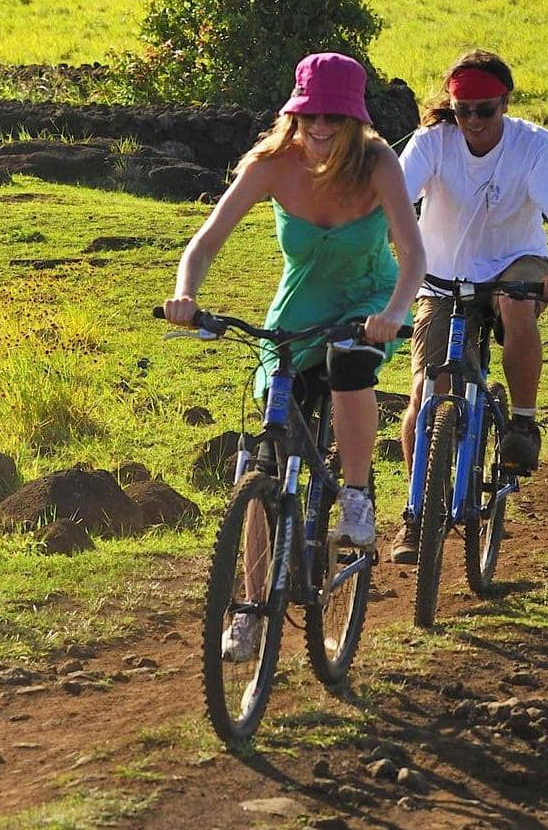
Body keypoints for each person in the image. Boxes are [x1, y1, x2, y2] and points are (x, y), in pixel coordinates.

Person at [164, 52, 426, 574]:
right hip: (297, 307)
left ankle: (355, 497)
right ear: (295, 115)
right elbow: (207, 241)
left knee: (350, 363)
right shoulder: (271, 165)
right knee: (268, 453)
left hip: (367, 300)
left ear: (354, 119)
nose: (321, 126)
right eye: (311, 115)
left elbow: (413, 255)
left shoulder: (377, 163)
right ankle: (249, 605)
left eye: (334, 116)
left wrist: (396, 311)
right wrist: (185, 294)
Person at [391, 48, 548, 563]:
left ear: (505, 103)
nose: (472, 121)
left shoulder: (536, 146)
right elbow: (395, 199)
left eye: (484, 110)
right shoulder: (432, 142)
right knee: (424, 390)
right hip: (441, 276)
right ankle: (415, 514)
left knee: (513, 303)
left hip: (515, 263)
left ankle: (521, 421)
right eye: (462, 110)